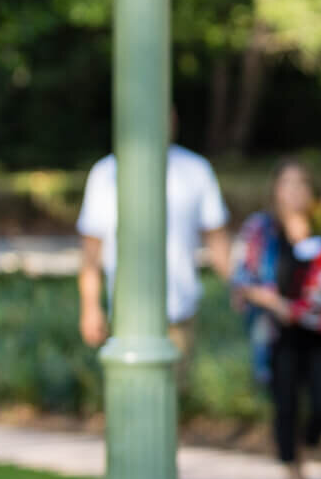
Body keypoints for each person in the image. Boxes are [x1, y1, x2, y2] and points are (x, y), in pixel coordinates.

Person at [76, 115, 232, 392]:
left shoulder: (195, 170)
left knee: (173, 394)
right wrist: (90, 307)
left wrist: (237, 286)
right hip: (125, 313)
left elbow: (217, 239)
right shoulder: (106, 173)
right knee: (130, 393)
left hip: (179, 309)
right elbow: (91, 252)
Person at [229, 159, 321, 479]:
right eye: (287, 184)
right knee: (286, 405)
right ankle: (294, 475)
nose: (294, 191)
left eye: (301, 183)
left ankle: (305, 448)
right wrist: (274, 303)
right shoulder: (261, 230)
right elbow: (242, 278)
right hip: (278, 333)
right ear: (275, 189)